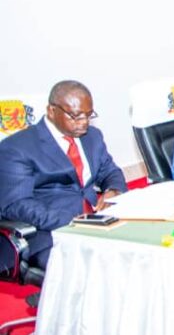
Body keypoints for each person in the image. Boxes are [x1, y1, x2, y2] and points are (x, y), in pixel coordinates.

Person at [0, 80, 127, 269]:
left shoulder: (92, 136)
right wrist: (73, 221)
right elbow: (17, 204)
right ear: (51, 111)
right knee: (100, 268)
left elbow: (110, 171)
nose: (84, 122)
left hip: (99, 220)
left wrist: (114, 190)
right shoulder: (17, 147)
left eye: (88, 115)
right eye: (76, 116)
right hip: (48, 231)